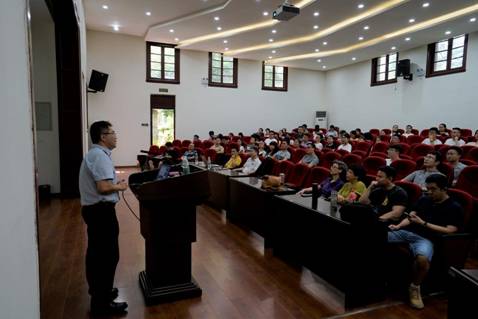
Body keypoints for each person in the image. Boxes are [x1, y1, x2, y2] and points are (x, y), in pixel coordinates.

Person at [388, 174, 463, 309]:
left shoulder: (454, 207)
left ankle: (415, 287)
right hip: (407, 231)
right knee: (374, 237)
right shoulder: (424, 199)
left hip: (427, 238)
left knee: (422, 260)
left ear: (444, 189)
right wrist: (398, 226)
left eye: (433, 189)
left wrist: (423, 223)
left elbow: (450, 230)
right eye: (427, 188)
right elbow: (411, 217)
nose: (429, 192)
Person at [78, 121, 128, 315]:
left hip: (96, 211)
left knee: (99, 254)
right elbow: (103, 187)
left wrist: (114, 183)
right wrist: (120, 187)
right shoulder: (99, 156)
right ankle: (101, 303)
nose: (116, 135)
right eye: (112, 132)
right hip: (100, 212)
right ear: (102, 137)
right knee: (106, 256)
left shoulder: (97, 154)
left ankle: (102, 292)